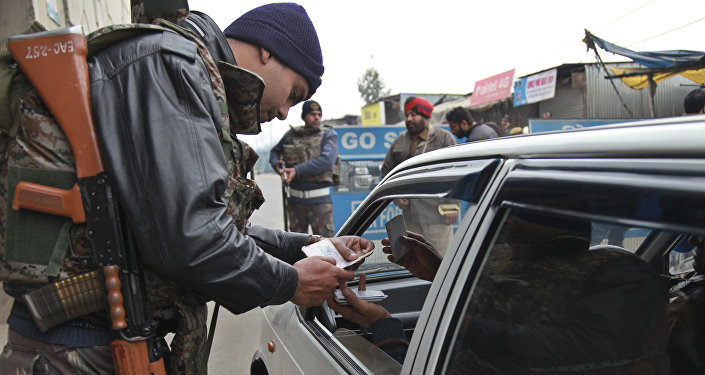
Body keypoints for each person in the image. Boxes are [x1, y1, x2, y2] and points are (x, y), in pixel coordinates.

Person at [0, 3, 372, 374]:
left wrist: (302, 248)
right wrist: (289, 282)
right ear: (269, 49)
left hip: (97, 343)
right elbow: (192, 237)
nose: (284, 113)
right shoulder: (171, 63)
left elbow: (194, 223)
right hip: (77, 349)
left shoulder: (185, 70)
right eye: (294, 92)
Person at [381, 97, 458, 254]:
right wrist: (396, 197)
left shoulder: (443, 138)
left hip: (437, 216)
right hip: (411, 217)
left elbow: (457, 172)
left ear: (425, 116)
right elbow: (387, 171)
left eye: (413, 115)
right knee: (415, 262)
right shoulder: (399, 142)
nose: (409, 119)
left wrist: (453, 205)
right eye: (406, 115)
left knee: (441, 261)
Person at [270, 100, 338, 237]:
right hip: (295, 202)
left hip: (320, 202)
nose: (317, 117)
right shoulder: (291, 135)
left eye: (319, 114)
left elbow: (326, 161)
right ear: (304, 116)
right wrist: (277, 164)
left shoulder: (328, 134)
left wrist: (296, 170)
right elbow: (275, 151)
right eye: (312, 114)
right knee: (296, 246)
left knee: (326, 245)